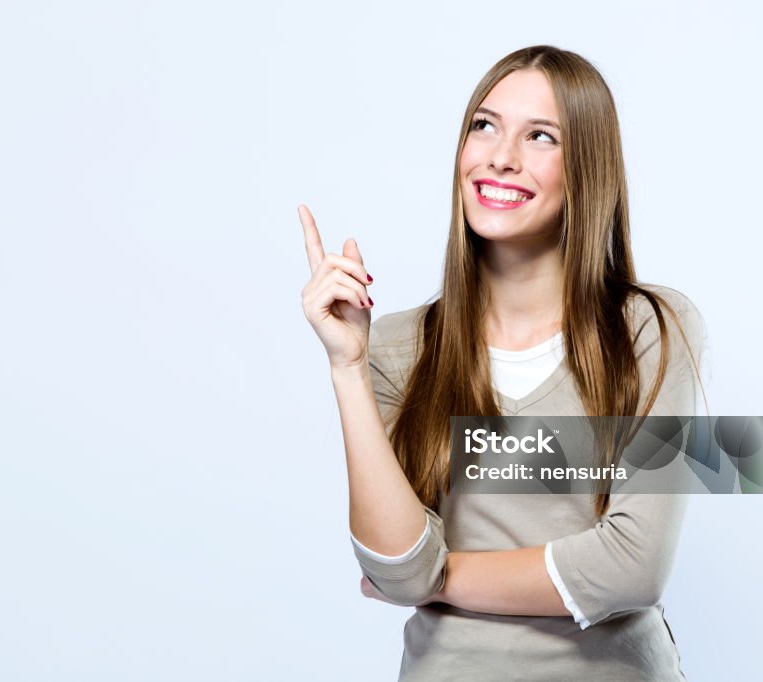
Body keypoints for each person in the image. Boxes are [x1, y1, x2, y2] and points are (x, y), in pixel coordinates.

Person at [298, 44, 707, 681]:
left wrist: (438, 576)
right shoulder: (398, 349)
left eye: (540, 136)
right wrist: (347, 366)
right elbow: (395, 565)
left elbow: (634, 565)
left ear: (586, 170)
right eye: (483, 126)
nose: (500, 156)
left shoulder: (650, 330)